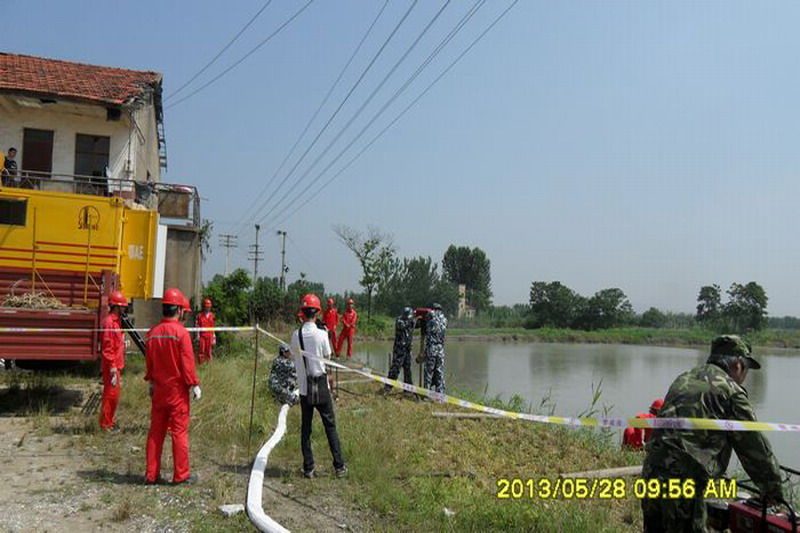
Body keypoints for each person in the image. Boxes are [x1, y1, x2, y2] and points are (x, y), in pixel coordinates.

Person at [641, 335, 784, 532]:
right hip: (683, 485)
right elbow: (756, 450)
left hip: (652, 473)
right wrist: (774, 492)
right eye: (746, 369)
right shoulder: (730, 391)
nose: (745, 376)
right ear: (738, 364)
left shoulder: (685, 378)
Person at [144, 288, 201, 485]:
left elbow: (149, 364)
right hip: (177, 393)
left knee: (155, 433)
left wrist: (151, 382)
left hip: (159, 391)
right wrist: (194, 384)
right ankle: (181, 475)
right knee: (179, 433)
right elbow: (187, 364)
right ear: (178, 309)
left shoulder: (152, 334)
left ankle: (151, 475)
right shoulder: (181, 334)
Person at [291, 293, 347, 479]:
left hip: (304, 389)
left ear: (302, 312)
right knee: (330, 426)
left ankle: (309, 468)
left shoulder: (295, 335)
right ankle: (339, 466)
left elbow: (293, 355)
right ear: (317, 313)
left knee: (306, 429)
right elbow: (327, 357)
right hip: (321, 387)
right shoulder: (322, 334)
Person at [99, 290, 128, 430]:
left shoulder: (117, 322)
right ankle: (105, 425)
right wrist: (112, 366)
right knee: (110, 395)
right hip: (111, 365)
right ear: (117, 307)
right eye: (122, 307)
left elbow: (116, 342)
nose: (124, 309)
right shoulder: (109, 323)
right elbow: (107, 346)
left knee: (114, 395)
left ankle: (109, 422)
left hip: (116, 364)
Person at [384, 307, 415, 392]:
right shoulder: (399, 320)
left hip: (407, 349)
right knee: (395, 368)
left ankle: (408, 389)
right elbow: (403, 326)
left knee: (407, 370)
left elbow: (415, 325)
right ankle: (388, 387)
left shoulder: (410, 321)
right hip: (399, 350)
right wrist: (411, 320)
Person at [422, 303, 448, 394]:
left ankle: (426, 393)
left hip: (432, 348)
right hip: (440, 349)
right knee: (439, 372)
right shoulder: (445, 320)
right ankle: (440, 394)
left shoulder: (431, 319)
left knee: (428, 372)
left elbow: (426, 320)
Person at [196, 298, 216, 364]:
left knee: (209, 351)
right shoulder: (200, 316)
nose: (208, 308)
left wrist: (214, 336)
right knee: (201, 351)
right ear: (204, 307)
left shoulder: (212, 315)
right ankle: (201, 364)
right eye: (207, 306)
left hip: (210, 335)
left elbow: (213, 326)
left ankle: (208, 365)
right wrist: (197, 335)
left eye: (209, 307)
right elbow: (198, 326)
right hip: (202, 336)